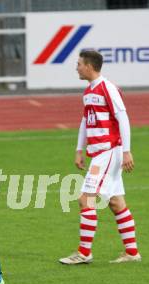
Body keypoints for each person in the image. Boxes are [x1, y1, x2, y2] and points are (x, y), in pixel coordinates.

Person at [59, 50, 141, 265]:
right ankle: (132, 253)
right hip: (100, 153)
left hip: (108, 152)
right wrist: (79, 149)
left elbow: (122, 117)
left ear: (89, 66)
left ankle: (84, 252)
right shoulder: (88, 91)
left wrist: (126, 150)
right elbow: (86, 121)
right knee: (116, 202)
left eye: (78, 64)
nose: (76, 67)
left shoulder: (108, 88)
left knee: (86, 199)